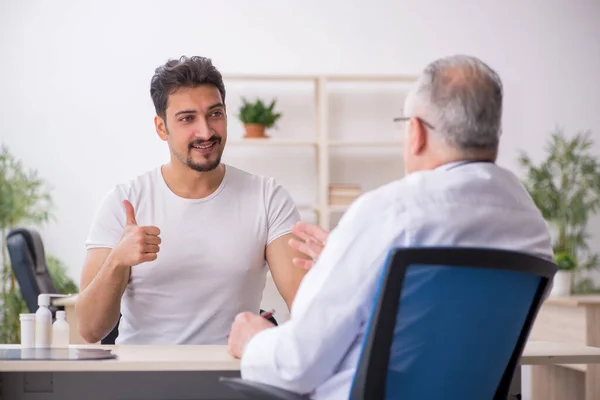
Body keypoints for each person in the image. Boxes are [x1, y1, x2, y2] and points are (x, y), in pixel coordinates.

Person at [226, 54, 554, 399]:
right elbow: (442, 328)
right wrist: (348, 259)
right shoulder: (531, 227)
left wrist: (255, 341)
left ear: (415, 132)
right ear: (493, 135)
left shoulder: (390, 212)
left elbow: (297, 365)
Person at [75, 55, 308, 345]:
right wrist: (117, 262)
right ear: (162, 128)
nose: (206, 131)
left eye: (215, 114)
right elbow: (88, 329)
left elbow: (307, 307)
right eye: (187, 119)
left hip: (229, 380)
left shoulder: (267, 198)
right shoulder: (124, 202)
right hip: (142, 382)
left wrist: (332, 273)